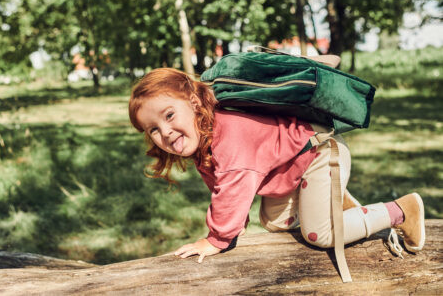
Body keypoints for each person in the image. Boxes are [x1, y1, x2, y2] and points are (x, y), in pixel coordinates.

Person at [128, 66, 425, 265]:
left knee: (318, 235)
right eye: (152, 129)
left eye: (168, 116)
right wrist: (233, 226)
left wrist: (217, 240)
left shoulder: (226, 138)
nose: (164, 132)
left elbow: (232, 188)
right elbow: (223, 190)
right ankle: (333, 203)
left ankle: (400, 211)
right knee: (273, 221)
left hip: (319, 153)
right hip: (293, 165)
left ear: (194, 103)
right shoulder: (205, 135)